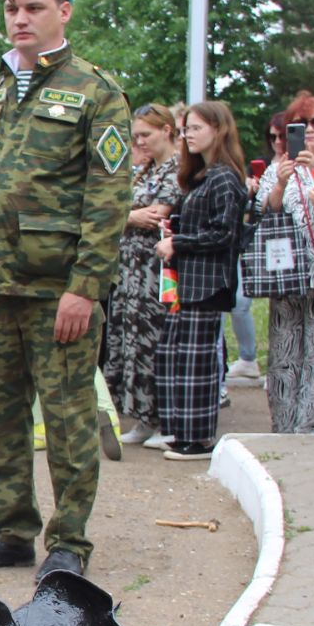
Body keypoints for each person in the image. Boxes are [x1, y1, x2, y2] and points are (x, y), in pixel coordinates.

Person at [0, 0, 131, 575]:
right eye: (13, 9)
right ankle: (10, 530)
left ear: (63, 12)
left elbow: (108, 202)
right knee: (1, 416)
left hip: (57, 291)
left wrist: (86, 288)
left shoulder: (96, 91)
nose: (20, 19)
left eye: (34, 8)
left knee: (68, 418)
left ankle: (69, 544)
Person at [152, 103, 249, 460]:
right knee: (176, 357)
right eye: (185, 130)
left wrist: (177, 242)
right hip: (188, 282)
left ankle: (197, 437)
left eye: (194, 128)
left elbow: (224, 233)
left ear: (217, 129)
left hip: (208, 284)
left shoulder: (224, 177)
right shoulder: (205, 176)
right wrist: (175, 227)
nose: (187, 135)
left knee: (197, 363)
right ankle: (180, 430)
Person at [256, 93, 314, 434]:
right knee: (285, 351)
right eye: (300, 124)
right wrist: (281, 180)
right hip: (286, 275)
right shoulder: (280, 168)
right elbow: (265, 211)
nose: (309, 130)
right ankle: (287, 424)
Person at [104, 104, 181, 447]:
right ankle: (142, 416)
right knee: (131, 342)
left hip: (157, 270)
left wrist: (123, 215)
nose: (141, 142)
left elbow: (158, 214)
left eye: (146, 135)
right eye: (136, 136)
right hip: (130, 269)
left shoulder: (177, 170)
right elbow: (115, 209)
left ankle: (165, 418)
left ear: (167, 129)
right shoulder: (143, 171)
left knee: (155, 341)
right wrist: (129, 216)